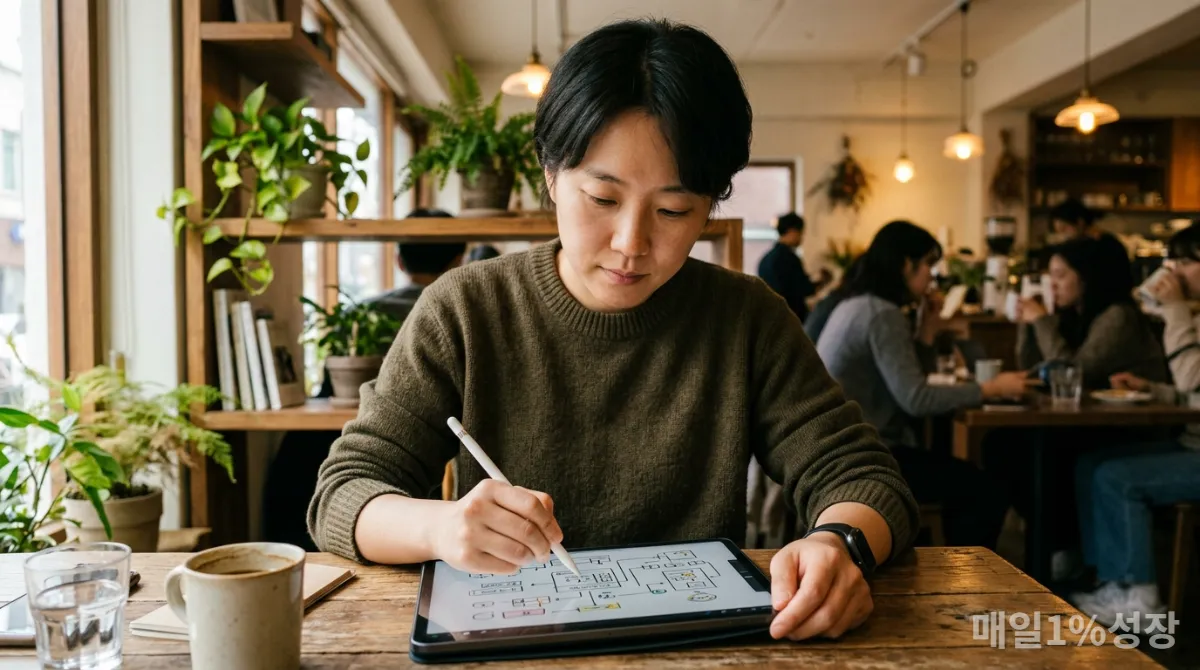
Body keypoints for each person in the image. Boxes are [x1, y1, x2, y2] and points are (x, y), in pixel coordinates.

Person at [308, 19, 919, 642]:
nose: (632, 244)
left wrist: (839, 542)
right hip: (513, 644)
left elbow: (862, 475)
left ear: (710, 205)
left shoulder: (746, 318)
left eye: (674, 211)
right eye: (602, 198)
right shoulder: (467, 308)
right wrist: (439, 527)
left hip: (701, 649)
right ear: (550, 173)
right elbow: (345, 493)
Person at [261, 208, 465, 550]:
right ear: (459, 259)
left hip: (306, 476)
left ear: (399, 261)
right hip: (396, 498)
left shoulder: (359, 314)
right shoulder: (458, 318)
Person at [815, 221, 1026, 549]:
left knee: (960, 472)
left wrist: (927, 330)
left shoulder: (858, 303)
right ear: (905, 264)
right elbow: (915, 398)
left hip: (837, 450)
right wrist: (991, 389)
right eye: (928, 263)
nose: (932, 274)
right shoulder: (882, 314)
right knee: (986, 491)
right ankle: (961, 581)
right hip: (865, 459)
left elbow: (909, 383)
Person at [1069, 222, 1200, 626]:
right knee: (1090, 465)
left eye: (1187, 261)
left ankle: (1141, 600)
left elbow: (1194, 380)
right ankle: (1113, 581)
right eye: (1171, 261)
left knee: (1117, 478)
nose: (1175, 271)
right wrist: (1153, 389)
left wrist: (1175, 310)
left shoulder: (1186, 314)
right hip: (1192, 443)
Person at [1015, 236, 1166, 390]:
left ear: (1086, 277)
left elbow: (1070, 375)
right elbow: (1030, 370)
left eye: (1060, 276)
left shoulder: (1118, 316)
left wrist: (1041, 321)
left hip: (1139, 409)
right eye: (1050, 276)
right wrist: (1028, 324)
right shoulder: (1070, 314)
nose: (1052, 285)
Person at [757, 213, 829, 322]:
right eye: (800, 233)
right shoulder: (790, 259)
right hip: (791, 318)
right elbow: (804, 289)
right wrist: (822, 281)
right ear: (792, 231)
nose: (801, 238)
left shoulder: (765, 260)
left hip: (770, 319)